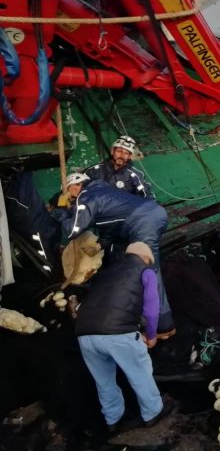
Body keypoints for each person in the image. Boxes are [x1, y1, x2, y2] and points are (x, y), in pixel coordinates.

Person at [57, 173, 175, 337]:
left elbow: (71, 231)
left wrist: (62, 209)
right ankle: (135, 313)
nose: (70, 198)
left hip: (142, 222)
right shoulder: (103, 191)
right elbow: (115, 223)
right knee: (124, 263)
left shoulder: (87, 195)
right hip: (146, 217)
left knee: (145, 272)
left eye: (69, 193)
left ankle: (163, 325)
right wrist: (100, 244)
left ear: (76, 186)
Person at [75, 241, 173, 432]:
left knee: (103, 380)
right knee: (140, 373)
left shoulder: (106, 273)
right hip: (118, 332)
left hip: (84, 333)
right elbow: (152, 309)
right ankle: (153, 412)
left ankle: (112, 419)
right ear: (145, 258)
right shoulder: (145, 271)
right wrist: (151, 335)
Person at [85, 135, 154, 199]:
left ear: (129, 156)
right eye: (119, 151)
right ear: (112, 151)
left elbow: (147, 197)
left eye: (126, 153)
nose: (122, 155)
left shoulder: (135, 175)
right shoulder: (95, 170)